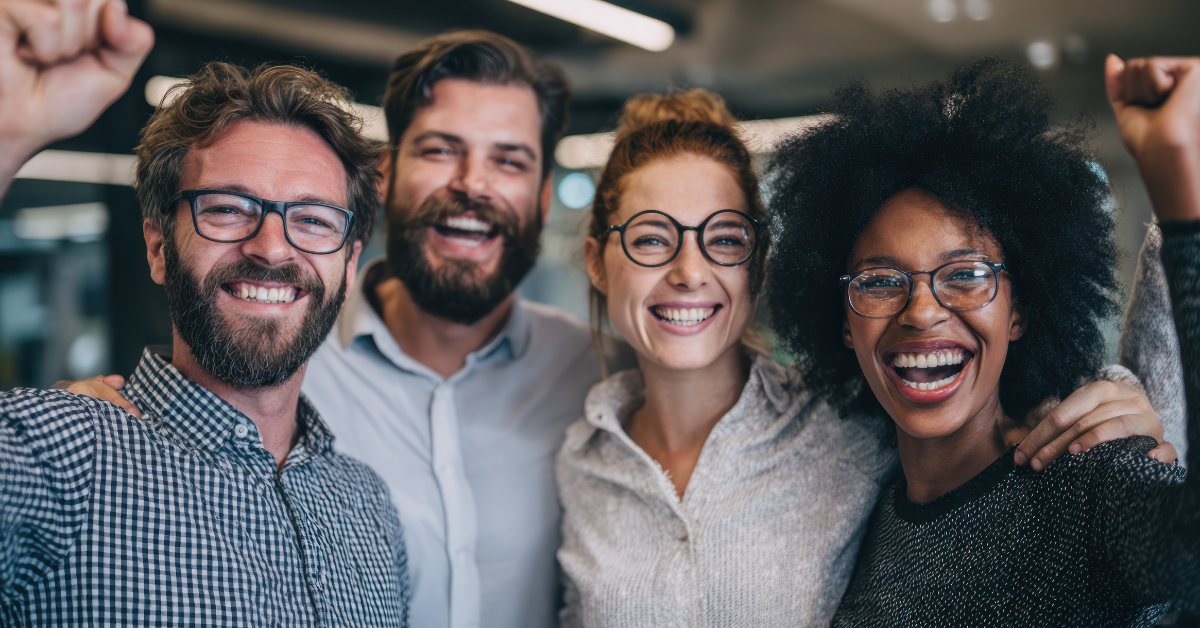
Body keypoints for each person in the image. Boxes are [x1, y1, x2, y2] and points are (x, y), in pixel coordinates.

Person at [556, 87, 1176, 627]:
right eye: (650, 240)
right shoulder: (574, 460)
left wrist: (1120, 399)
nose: (922, 311)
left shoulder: (840, 424)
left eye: (723, 238)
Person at [68, 29, 625, 628]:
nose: (473, 183)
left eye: (509, 160)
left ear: (544, 198)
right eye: (440, 150)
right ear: (386, 177)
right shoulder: (274, 350)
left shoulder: (603, 375)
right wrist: (79, 431)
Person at [0, 2, 409, 624]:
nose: (272, 247)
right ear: (159, 246)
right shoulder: (50, 453)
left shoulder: (368, 504)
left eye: (313, 220)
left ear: (349, 268)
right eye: (226, 209)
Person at [764, 58, 1198, 626]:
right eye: (879, 281)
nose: (921, 312)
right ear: (845, 323)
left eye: (965, 275)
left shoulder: (1087, 483)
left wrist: (1186, 212)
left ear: (1018, 309)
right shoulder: (863, 518)